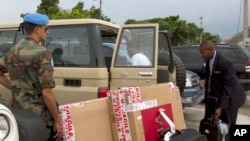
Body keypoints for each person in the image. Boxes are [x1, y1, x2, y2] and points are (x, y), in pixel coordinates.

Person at [0, 13, 62, 140]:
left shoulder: (13, 51)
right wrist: (58, 120)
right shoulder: (43, 54)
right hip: (40, 118)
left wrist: (15, 88)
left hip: (19, 114)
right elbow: (47, 93)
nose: (48, 32)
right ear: (37, 29)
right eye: (46, 29)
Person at [198, 40, 246, 125]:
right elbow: (206, 73)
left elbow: (228, 87)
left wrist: (220, 107)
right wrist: (204, 80)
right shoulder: (208, 60)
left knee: (227, 124)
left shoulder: (225, 63)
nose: (201, 55)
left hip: (231, 98)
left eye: (203, 53)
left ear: (210, 51)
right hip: (216, 96)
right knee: (213, 124)